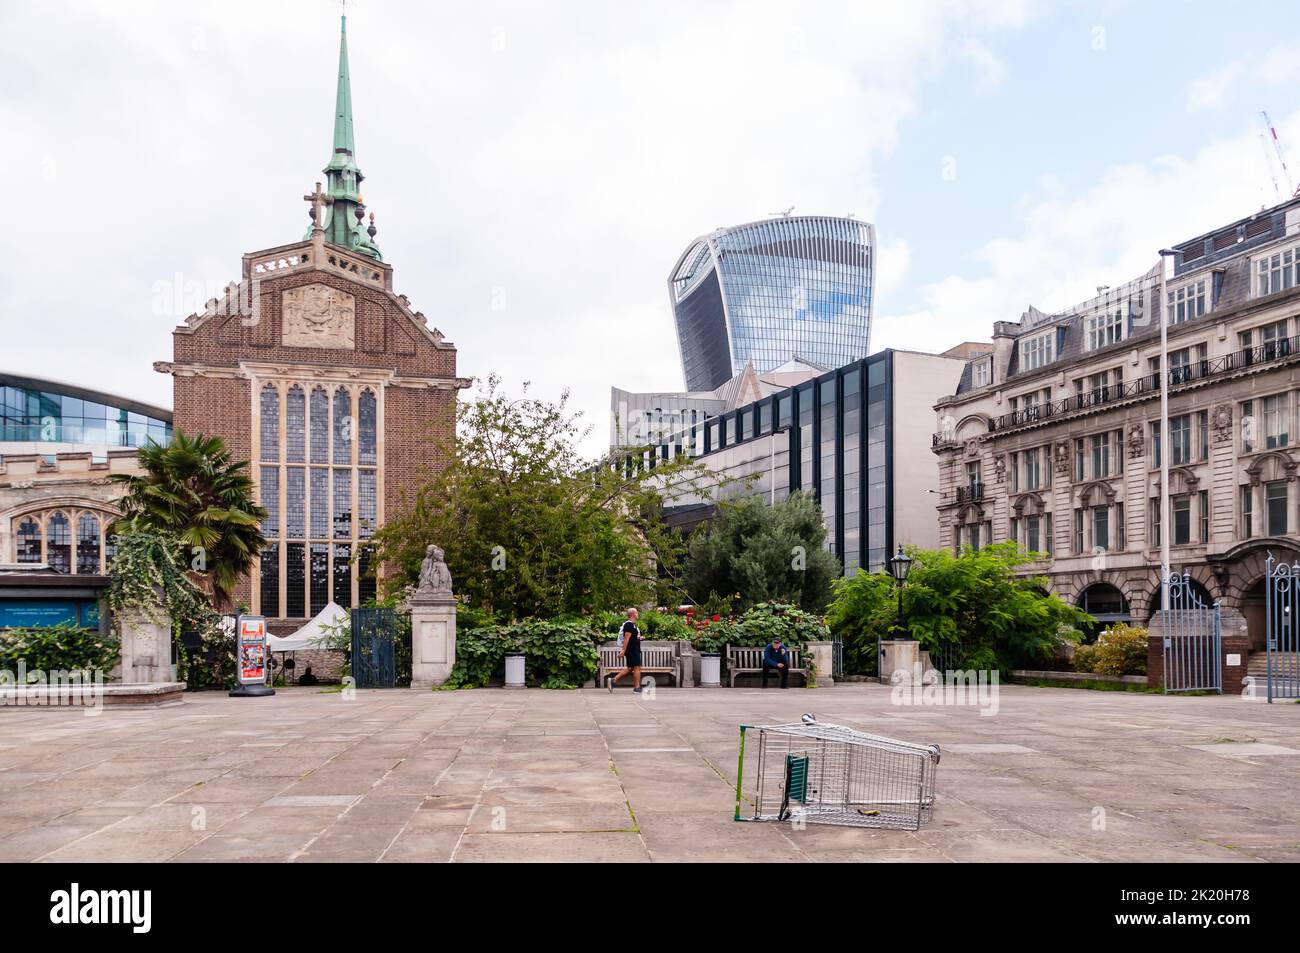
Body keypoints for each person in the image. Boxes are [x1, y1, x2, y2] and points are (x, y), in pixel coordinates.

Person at [607, 608, 643, 694]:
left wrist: (639, 638)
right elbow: (626, 639)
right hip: (632, 650)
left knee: (630, 668)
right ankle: (637, 688)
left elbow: (631, 638)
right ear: (633, 614)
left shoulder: (633, 625)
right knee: (637, 667)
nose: (638, 614)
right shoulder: (629, 625)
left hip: (633, 649)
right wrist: (623, 650)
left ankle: (613, 680)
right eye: (637, 613)